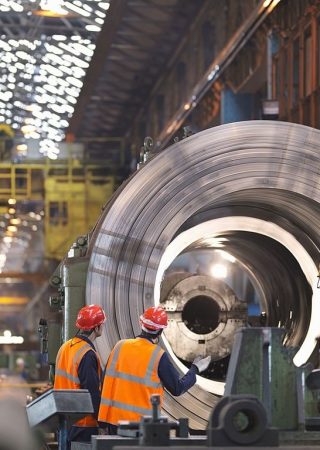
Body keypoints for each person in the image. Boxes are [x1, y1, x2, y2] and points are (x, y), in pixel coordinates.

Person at [98, 305, 211, 434]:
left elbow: (105, 383)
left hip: (114, 423)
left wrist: (102, 423)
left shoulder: (119, 346)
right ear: (160, 331)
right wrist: (195, 369)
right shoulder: (158, 355)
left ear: (141, 323)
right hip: (142, 427)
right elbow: (177, 388)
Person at [54, 304, 106, 448]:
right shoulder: (87, 354)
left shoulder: (65, 347)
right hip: (84, 423)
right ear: (96, 328)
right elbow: (92, 393)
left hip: (64, 419)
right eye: (102, 325)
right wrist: (101, 424)